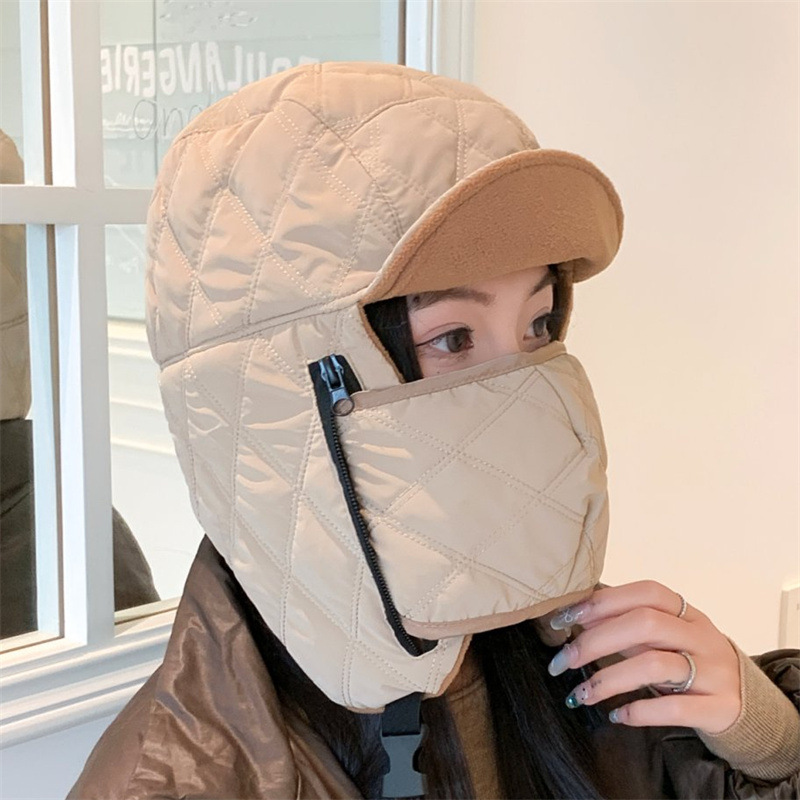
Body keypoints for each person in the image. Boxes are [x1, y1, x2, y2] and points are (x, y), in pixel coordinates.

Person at [69, 62, 799, 799]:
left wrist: (767, 741)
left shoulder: (580, 651)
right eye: (453, 338)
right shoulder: (168, 781)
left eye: (538, 323)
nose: (522, 391)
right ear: (282, 397)